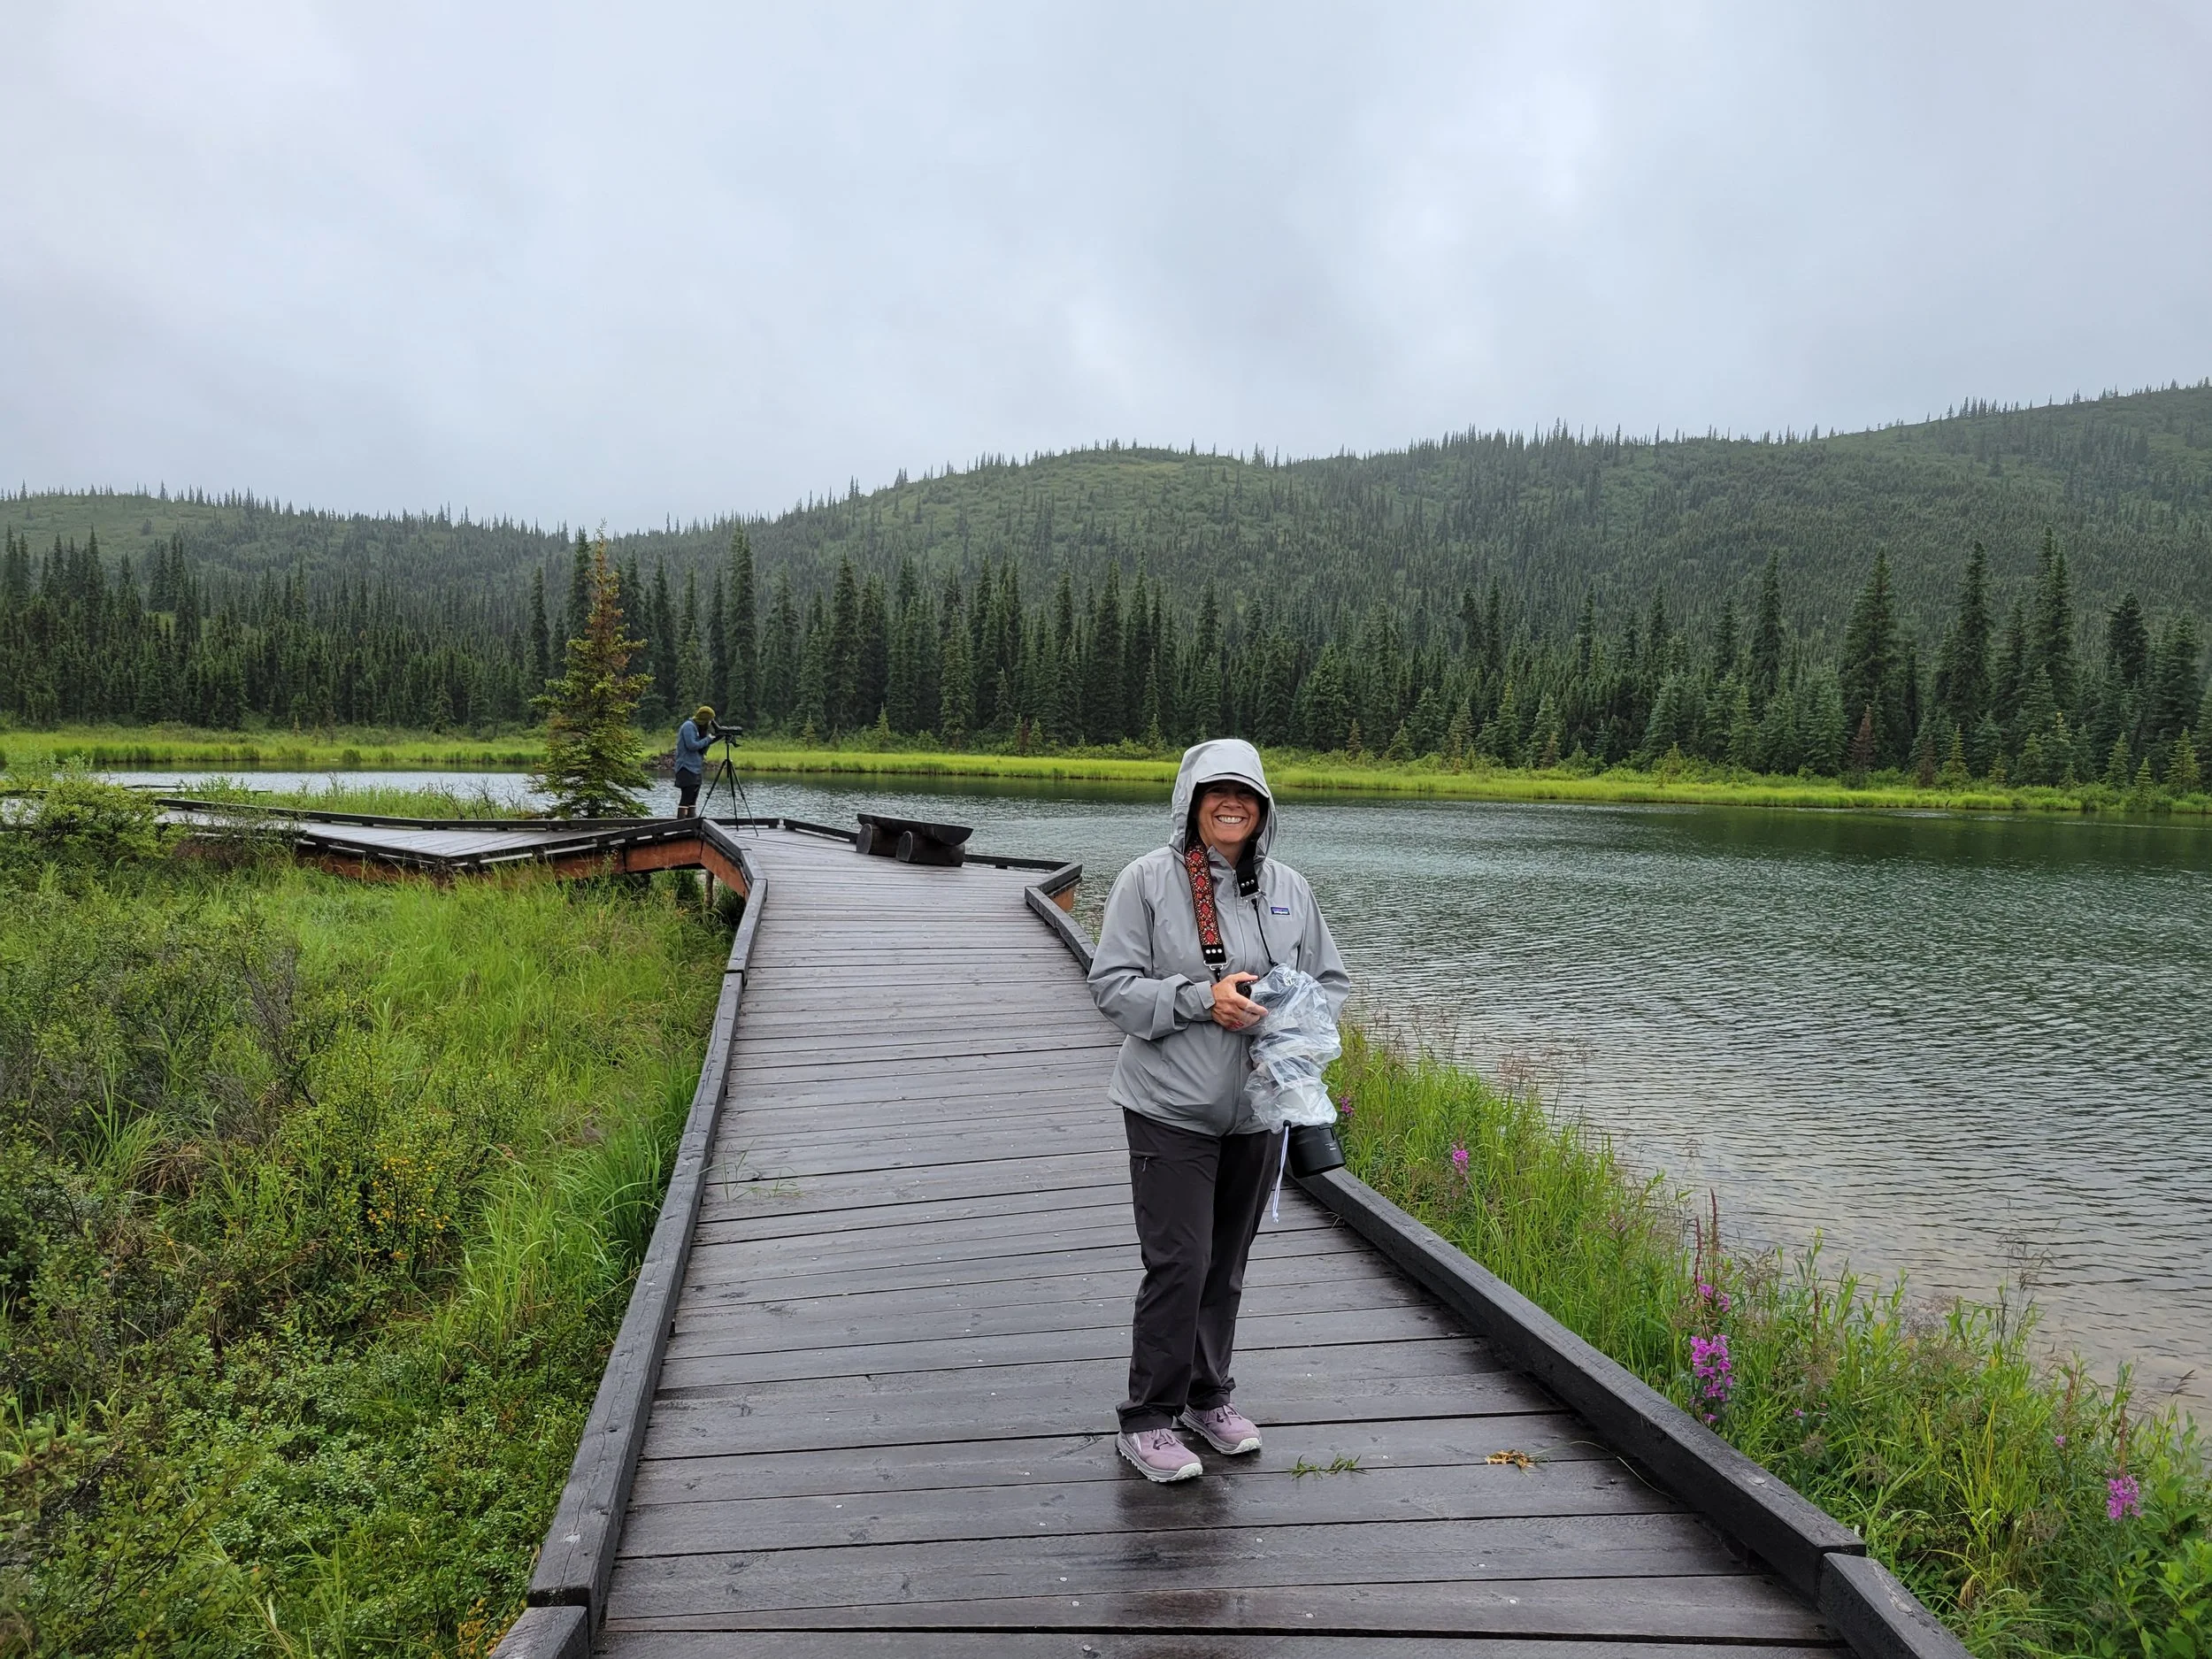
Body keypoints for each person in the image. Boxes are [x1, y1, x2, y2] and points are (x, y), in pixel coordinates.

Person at [1087, 738, 1350, 1484]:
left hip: (1260, 1111)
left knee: (1226, 1266)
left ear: (1264, 807)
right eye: (1216, 792)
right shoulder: (1147, 881)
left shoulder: (1292, 888)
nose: (1231, 804)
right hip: (1170, 1105)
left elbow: (1331, 981)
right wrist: (1203, 999)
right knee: (1180, 1262)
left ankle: (1208, 1398)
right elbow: (1111, 986)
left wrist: (1290, 1019)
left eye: (1245, 793)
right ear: (1192, 800)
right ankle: (1147, 1417)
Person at [672, 704, 713, 818]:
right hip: (686, 767)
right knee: (686, 797)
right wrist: (707, 740)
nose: (709, 723)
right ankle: (681, 825)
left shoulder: (697, 728)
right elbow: (692, 745)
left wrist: (709, 741)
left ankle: (692, 823)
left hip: (695, 768)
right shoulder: (689, 726)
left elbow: (701, 748)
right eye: (709, 720)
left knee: (693, 799)